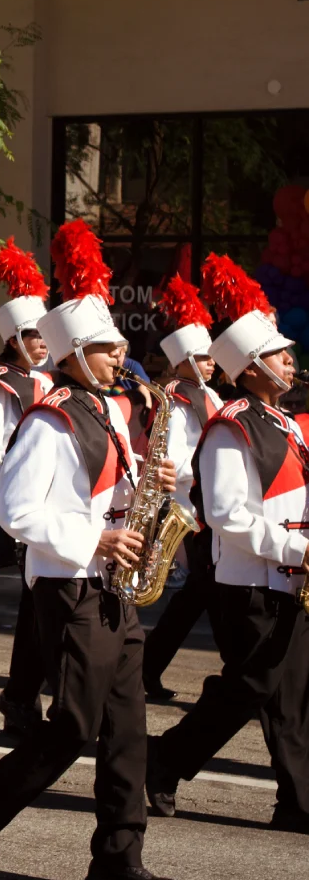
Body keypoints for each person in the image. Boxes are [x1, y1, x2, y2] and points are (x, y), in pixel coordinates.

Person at [0, 219, 179, 880]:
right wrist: (95, 540)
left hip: (115, 588)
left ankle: (116, 857)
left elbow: (109, 497)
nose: (120, 355)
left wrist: (151, 490)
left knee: (128, 728)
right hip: (71, 588)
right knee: (75, 725)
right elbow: (15, 514)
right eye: (108, 348)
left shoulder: (109, 412)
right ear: (77, 352)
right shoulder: (49, 420)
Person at [147, 258, 309, 834]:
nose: (291, 360)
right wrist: (297, 552)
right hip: (248, 584)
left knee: (292, 697)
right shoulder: (231, 425)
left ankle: (296, 801)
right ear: (252, 368)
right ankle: (165, 758)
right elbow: (225, 514)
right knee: (252, 686)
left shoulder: (286, 423)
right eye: (280, 353)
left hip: (289, 581)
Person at [0, 240, 53, 735]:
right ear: (13, 339)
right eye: (33, 335)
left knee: (40, 609)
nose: (42, 343)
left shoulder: (47, 381)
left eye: (45, 335)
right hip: (23, 512)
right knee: (40, 608)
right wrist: (29, 464)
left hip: (54, 509)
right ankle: (23, 700)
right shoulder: (0, 386)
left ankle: (22, 698)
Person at [141, 276, 221, 701]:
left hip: (210, 502)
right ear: (184, 360)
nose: (211, 364)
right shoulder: (177, 399)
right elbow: (171, 458)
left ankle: (148, 668)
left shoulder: (209, 394)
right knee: (205, 591)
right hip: (192, 504)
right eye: (203, 358)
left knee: (197, 596)